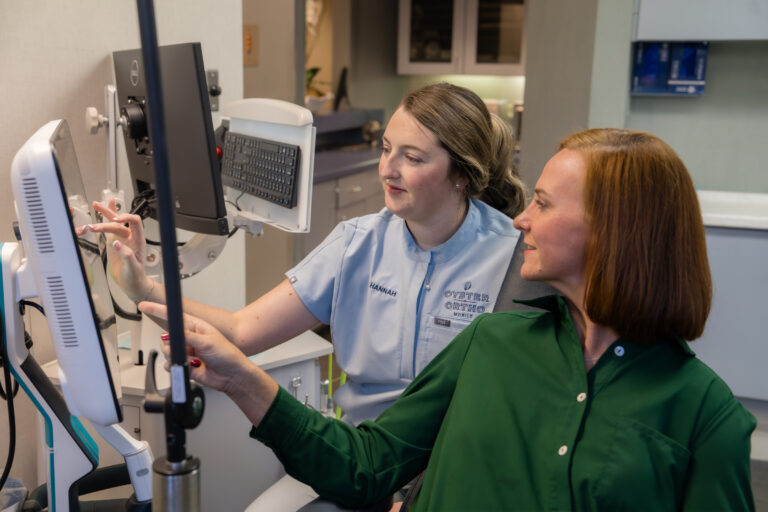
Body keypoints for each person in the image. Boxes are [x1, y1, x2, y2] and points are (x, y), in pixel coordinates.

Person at [141, 128, 756, 511]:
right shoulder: (491, 345)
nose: (522, 220)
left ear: (614, 232)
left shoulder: (704, 416)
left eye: (542, 204)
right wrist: (242, 379)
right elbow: (365, 467)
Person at [88, 83, 527, 508]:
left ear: (463, 176)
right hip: (356, 457)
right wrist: (142, 287)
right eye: (386, 148)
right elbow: (242, 330)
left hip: (456, 471)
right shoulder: (357, 243)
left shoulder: (513, 258)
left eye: (411, 157)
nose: (388, 169)